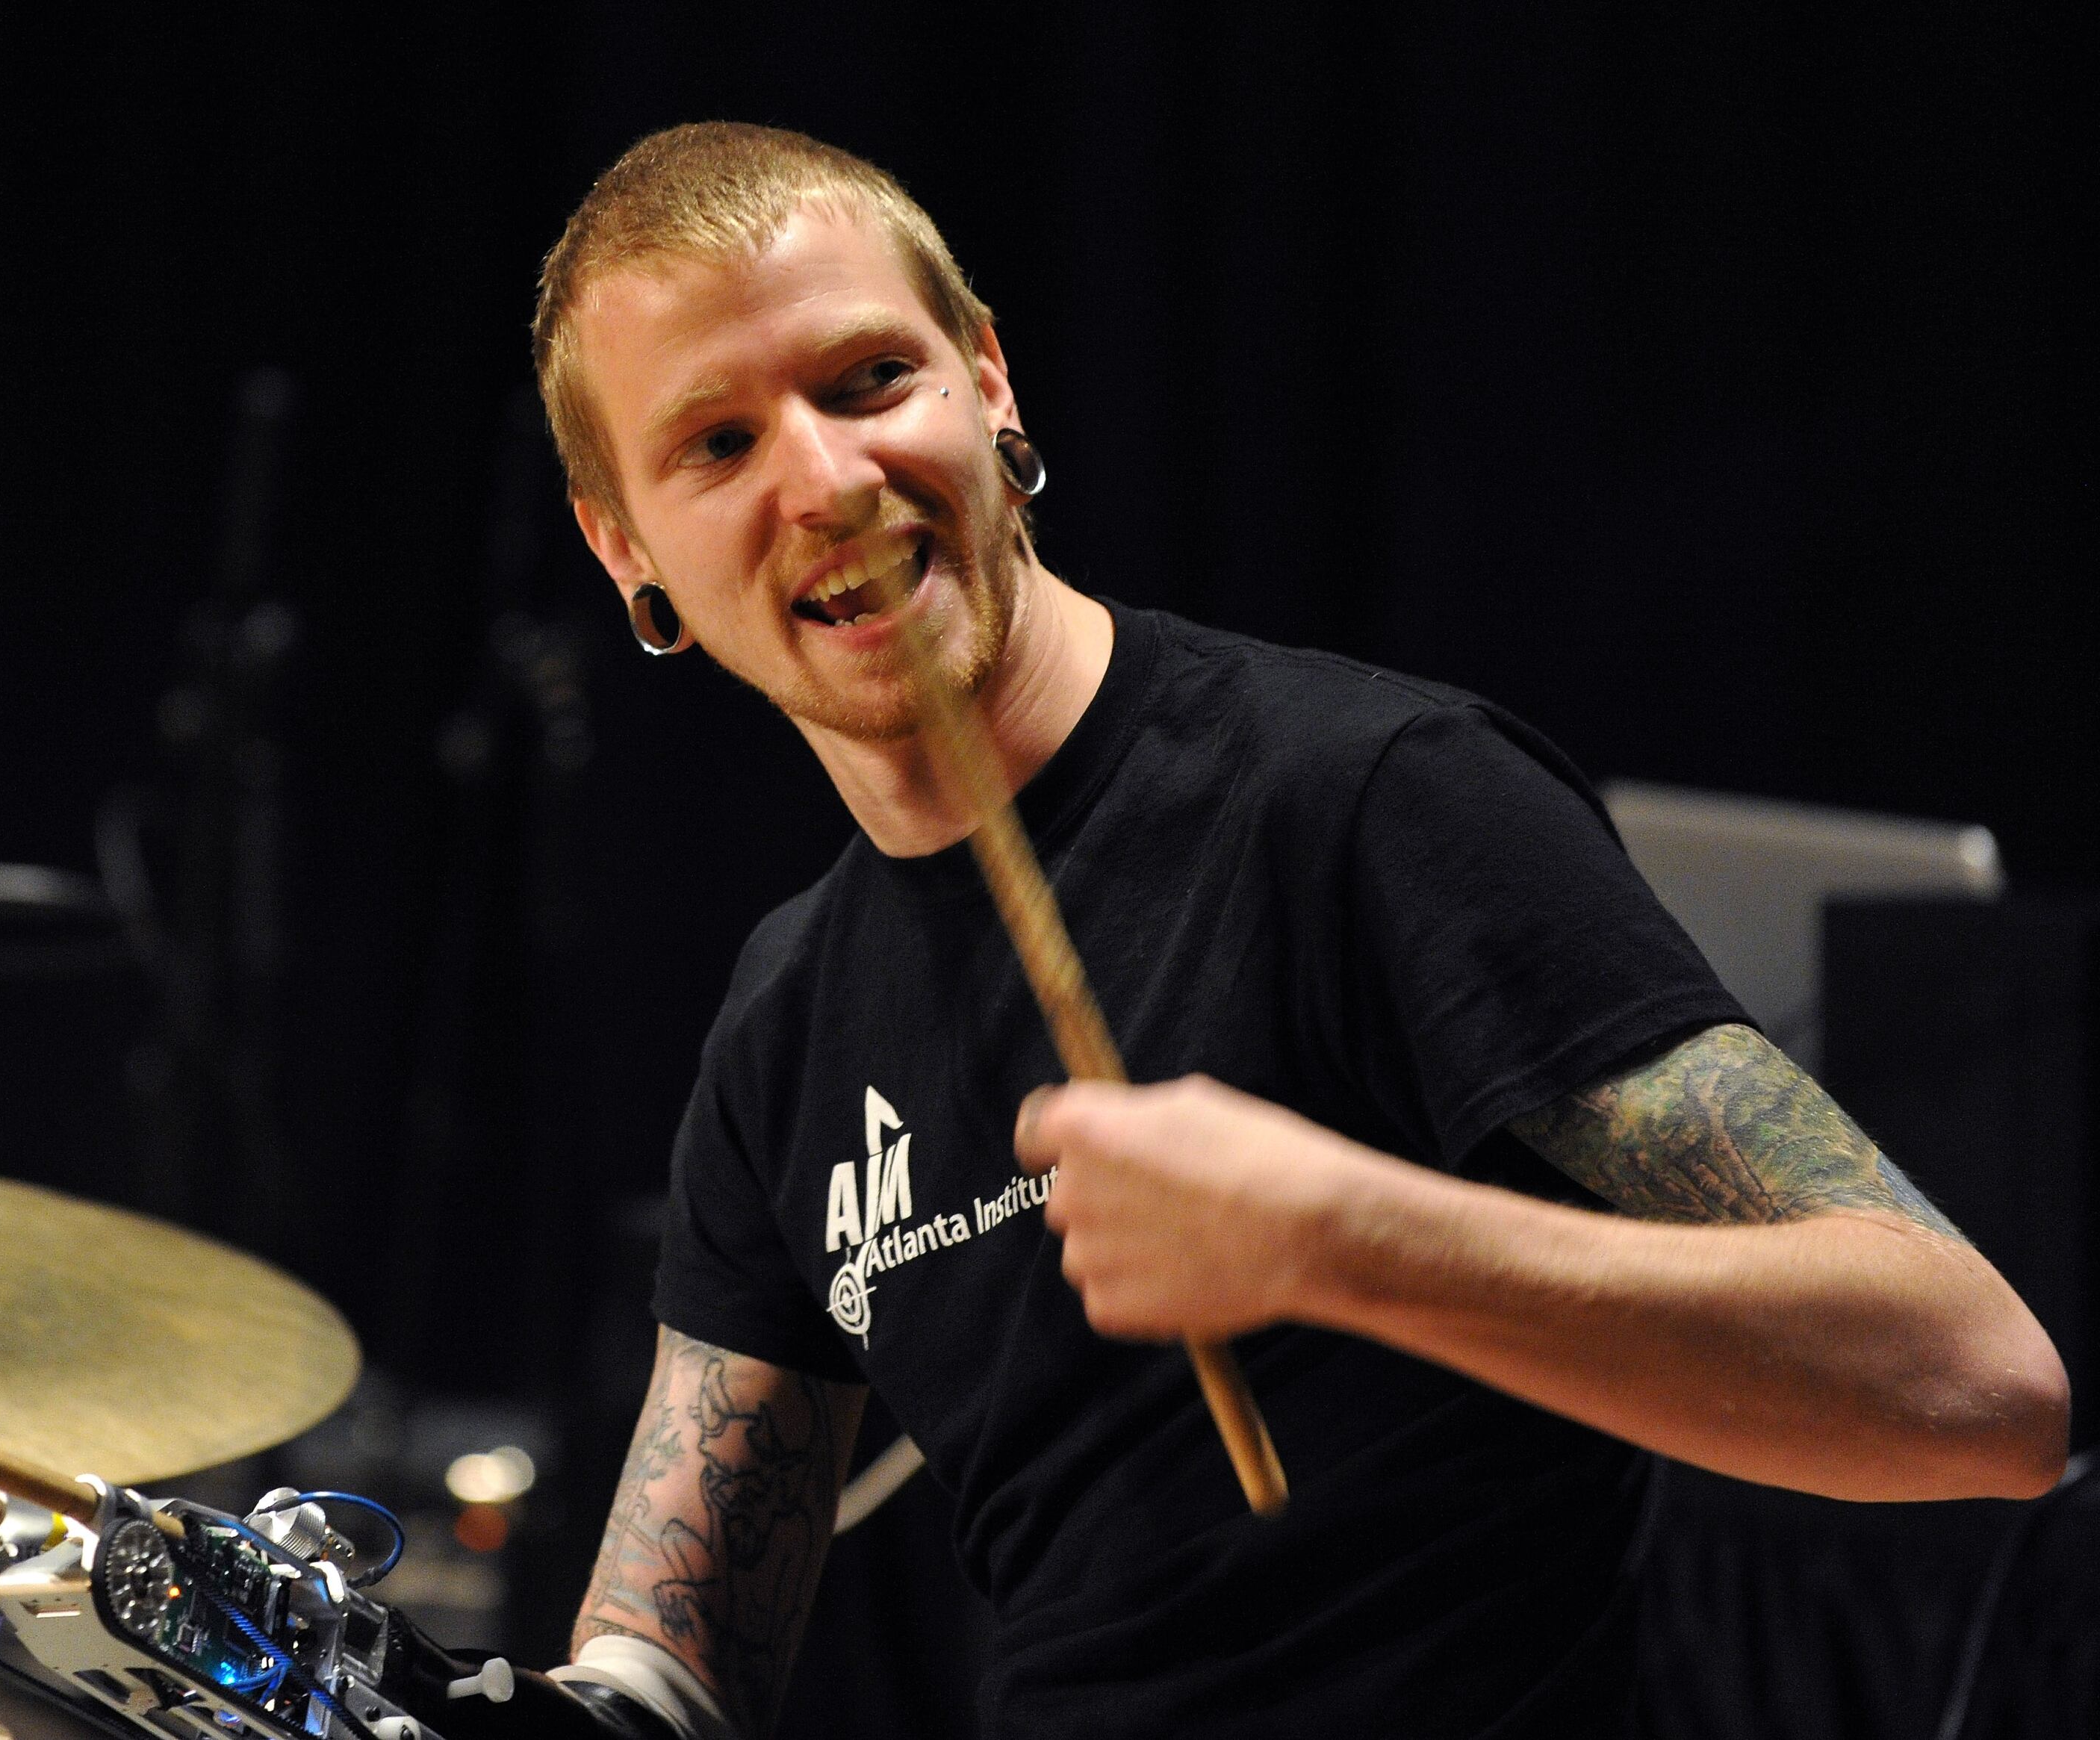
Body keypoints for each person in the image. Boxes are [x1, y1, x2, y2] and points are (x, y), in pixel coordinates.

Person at [450, 122, 2068, 1740]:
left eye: (871, 379)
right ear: (625, 549)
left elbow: (1980, 1387)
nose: (821, 477)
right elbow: (670, 1667)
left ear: (991, 383)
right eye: (717, 445)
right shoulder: (784, 1019)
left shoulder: (1370, 798)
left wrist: (1344, 1241)